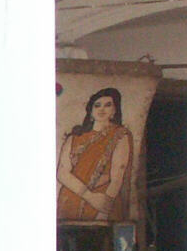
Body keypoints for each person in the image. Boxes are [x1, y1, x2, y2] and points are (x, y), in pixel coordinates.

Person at [57, 86, 134, 222]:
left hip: (102, 201)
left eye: (108, 105)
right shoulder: (74, 137)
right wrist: (89, 196)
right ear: (91, 111)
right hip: (71, 200)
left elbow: (117, 177)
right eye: (97, 105)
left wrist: (103, 211)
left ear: (114, 110)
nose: (102, 109)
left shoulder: (120, 135)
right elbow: (62, 173)